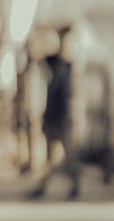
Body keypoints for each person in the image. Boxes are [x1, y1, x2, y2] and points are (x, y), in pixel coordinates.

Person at [29, 31, 79, 199]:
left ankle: (72, 185)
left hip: (60, 122)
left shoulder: (61, 77)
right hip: (55, 122)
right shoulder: (57, 77)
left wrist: (54, 121)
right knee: (53, 158)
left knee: (64, 157)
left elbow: (61, 103)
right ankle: (44, 186)